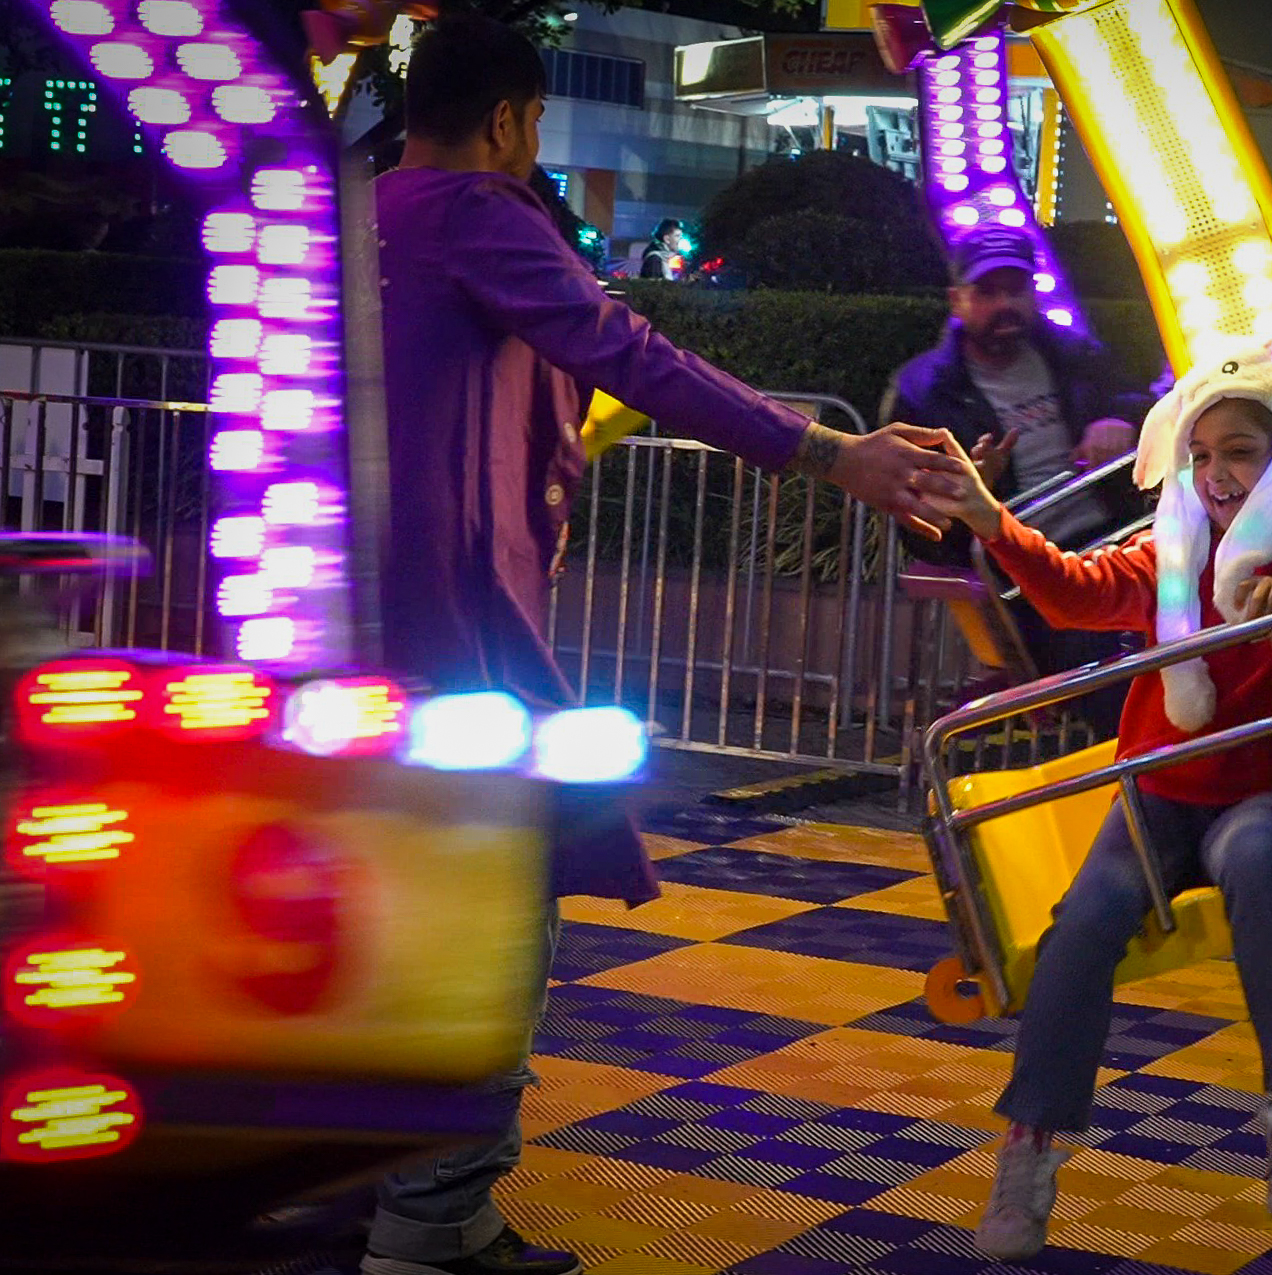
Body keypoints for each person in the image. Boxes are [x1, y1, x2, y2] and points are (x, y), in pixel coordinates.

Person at [367, 17, 958, 1275]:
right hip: (457, 633)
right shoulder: (478, 209)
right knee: (496, 898)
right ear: (517, 118)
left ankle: (398, 1190)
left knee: (390, 902)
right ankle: (431, 1214)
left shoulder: (355, 216)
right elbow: (623, 350)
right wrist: (828, 452)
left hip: (340, 627)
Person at [928, 329, 1272, 1261]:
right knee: (1081, 923)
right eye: (1201, 454)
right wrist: (989, 516)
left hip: (1269, 788)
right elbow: (1073, 594)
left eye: (1240, 451)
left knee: (1256, 861)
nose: (1214, 472)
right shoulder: (1170, 553)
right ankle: (1029, 1149)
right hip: (1160, 787)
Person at [885, 223, 1153, 718]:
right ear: (957, 300)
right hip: (1026, 568)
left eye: (1016, 289)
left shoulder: (1073, 355)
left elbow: (1141, 400)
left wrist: (1118, 419)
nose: (1004, 305)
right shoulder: (925, 393)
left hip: (1115, 539)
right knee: (1111, 673)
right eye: (987, 292)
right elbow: (918, 532)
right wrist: (970, 498)